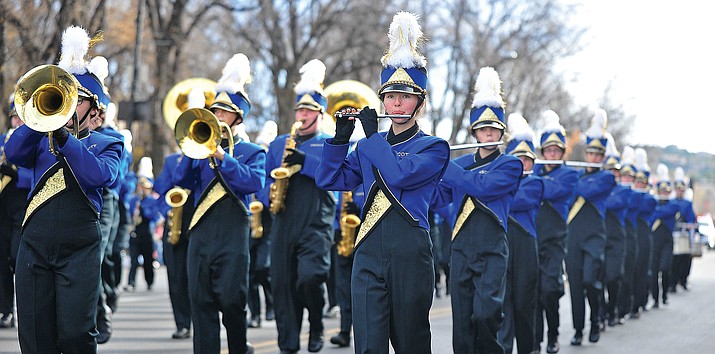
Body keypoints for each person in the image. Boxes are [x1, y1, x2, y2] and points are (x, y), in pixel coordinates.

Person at [317, 11, 450, 354]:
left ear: (419, 103)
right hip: (369, 251)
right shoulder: (366, 145)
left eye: (405, 97)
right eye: (390, 96)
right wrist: (339, 138)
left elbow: (398, 174)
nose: (395, 102)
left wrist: (372, 137)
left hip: (410, 250)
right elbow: (328, 178)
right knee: (368, 345)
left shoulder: (434, 147)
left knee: (411, 343)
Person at [6, 25, 123, 353]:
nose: (70, 107)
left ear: (95, 109)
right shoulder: (40, 137)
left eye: (78, 100)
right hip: (34, 244)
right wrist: (37, 119)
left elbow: (100, 175)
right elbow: (14, 153)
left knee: (76, 336)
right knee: (34, 338)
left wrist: (64, 140)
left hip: (80, 248)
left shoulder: (108, 142)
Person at [174, 53, 265, 354]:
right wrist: (191, 148)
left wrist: (224, 159)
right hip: (201, 235)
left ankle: (240, 347)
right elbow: (182, 180)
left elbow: (253, 183)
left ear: (238, 117)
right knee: (201, 302)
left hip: (232, 235)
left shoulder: (252, 151)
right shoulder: (199, 150)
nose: (217, 116)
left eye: (224, 112)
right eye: (214, 110)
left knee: (231, 301)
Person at [435, 66, 522, 354]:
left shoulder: (511, 165)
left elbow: (482, 187)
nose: (488, 132)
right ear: (474, 131)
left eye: (493, 128)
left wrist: (446, 165)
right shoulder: (458, 165)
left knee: (486, 315)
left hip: (492, 248)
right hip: (460, 248)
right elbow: (438, 200)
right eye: (483, 128)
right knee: (462, 325)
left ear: (501, 130)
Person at [266, 58, 335, 354]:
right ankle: (288, 344)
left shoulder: (329, 143)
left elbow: (334, 175)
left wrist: (304, 162)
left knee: (310, 277)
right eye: (299, 110)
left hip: (316, 221)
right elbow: (265, 179)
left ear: (320, 114)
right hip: (283, 220)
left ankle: (317, 323)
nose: (303, 115)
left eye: (309, 110)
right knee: (282, 284)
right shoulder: (279, 143)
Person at [565, 109, 615, 345]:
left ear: (603, 157)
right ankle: (577, 330)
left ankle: (596, 318)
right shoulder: (576, 175)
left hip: (595, 235)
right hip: (573, 235)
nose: (594, 158)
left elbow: (587, 191)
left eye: (599, 155)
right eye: (591, 153)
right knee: (575, 286)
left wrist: (573, 181)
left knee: (589, 281)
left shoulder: (607, 178)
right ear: (586, 154)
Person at [497, 113, 544, 354]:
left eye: (527, 159)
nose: (523, 164)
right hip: (505, 242)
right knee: (504, 302)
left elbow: (518, 201)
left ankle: (529, 347)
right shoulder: (503, 182)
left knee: (524, 303)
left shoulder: (536, 183)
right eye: (518, 159)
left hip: (526, 245)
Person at [533, 110, 577, 354]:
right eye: (548, 151)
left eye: (556, 151)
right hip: (533, 239)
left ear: (562, 153)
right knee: (535, 292)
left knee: (549, 290)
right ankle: (538, 341)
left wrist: (531, 181)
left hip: (555, 240)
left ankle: (553, 335)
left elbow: (552, 191)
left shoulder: (569, 174)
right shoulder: (536, 171)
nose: (551, 155)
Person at [154, 149, 195, 339]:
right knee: (176, 278)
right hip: (175, 223)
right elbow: (161, 189)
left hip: (197, 222)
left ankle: (201, 321)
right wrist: (169, 211)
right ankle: (182, 324)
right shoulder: (171, 160)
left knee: (197, 277)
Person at [0, 96, 31, 330]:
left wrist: (15, 170)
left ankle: (25, 309)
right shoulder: (2, 140)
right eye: (14, 117)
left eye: (20, 118)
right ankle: (5, 310)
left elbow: (34, 175)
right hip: (3, 205)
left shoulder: (33, 140)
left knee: (16, 257)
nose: (17, 122)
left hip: (22, 205)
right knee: (1, 260)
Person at [247, 121, 278, 329]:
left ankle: (271, 304)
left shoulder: (270, 169)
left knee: (263, 268)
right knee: (248, 271)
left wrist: (263, 196)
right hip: (248, 224)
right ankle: (255, 314)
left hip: (266, 224)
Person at [601, 135, 631, 327]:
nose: (612, 174)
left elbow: (612, 203)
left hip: (616, 239)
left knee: (613, 277)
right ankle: (601, 313)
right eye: (609, 170)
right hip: (600, 237)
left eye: (615, 170)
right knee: (596, 279)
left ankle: (612, 309)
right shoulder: (599, 188)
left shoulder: (624, 190)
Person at [126, 161, 161, 292]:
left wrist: (144, 210)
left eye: (145, 187)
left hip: (147, 232)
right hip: (135, 232)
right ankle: (131, 283)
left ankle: (149, 282)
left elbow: (155, 217)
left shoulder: (152, 200)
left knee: (148, 260)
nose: (143, 189)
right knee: (133, 260)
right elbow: (129, 215)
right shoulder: (134, 199)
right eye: (141, 186)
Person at [630, 148, 656, 318]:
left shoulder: (649, 198)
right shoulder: (631, 194)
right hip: (632, 235)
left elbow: (639, 206)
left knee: (641, 270)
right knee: (630, 271)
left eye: (642, 181)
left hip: (643, 236)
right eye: (637, 181)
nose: (639, 184)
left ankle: (639, 303)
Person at [649, 163, 680, 308]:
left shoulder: (673, 205)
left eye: (666, 191)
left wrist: (656, 209)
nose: (664, 194)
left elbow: (662, 212)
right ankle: (655, 299)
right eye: (662, 191)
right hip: (654, 240)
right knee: (653, 270)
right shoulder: (653, 203)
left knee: (665, 267)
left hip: (667, 240)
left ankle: (664, 294)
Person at [616, 146, 640, 324]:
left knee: (627, 274)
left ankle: (625, 307)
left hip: (630, 234)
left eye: (630, 177)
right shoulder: (616, 190)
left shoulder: (635, 194)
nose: (626, 179)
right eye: (624, 176)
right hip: (615, 233)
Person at [670, 167, 696, 292]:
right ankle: (673, 282)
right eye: (678, 189)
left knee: (685, 259)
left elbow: (691, 218)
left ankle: (683, 280)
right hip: (673, 233)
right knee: (673, 261)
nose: (679, 191)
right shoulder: (671, 201)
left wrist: (690, 225)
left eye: (681, 189)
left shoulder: (687, 203)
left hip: (683, 233)